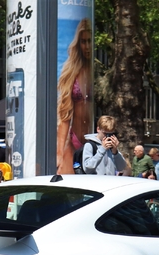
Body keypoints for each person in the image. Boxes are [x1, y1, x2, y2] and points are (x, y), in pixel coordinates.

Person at [56, 18, 93, 174]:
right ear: (78, 44)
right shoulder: (72, 73)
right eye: (83, 41)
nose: (87, 46)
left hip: (93, 142)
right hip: (74, 139)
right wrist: (59, 152)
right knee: (64, 186)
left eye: (90, 41)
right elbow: (65, 116)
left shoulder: (95, 72)